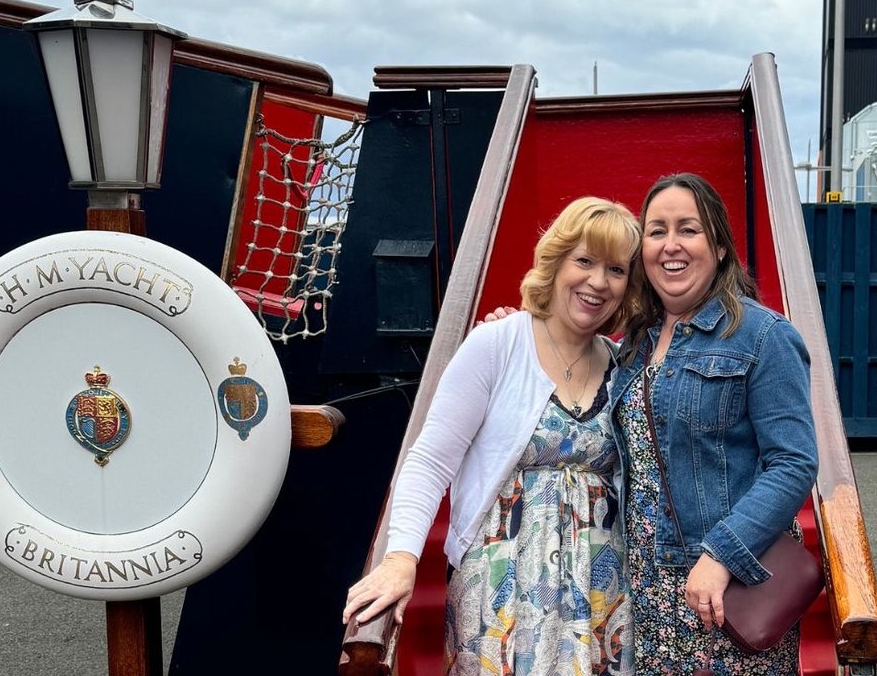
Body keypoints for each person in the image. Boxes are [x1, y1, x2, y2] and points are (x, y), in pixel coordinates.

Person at [343, 196, 639, 676]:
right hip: (502, 591)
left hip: (602, 592)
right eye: (584, 261)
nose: (598, 281)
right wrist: (400, 558)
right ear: (556, 262)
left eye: (616, 269)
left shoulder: (623, 364)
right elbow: (430, 462)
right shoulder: (497, 344)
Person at [609, 172, 817, 675]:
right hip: (647, 587)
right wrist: (514, 327)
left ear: (720, 247)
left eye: (689, 229)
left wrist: (722, 555)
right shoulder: (634, 343)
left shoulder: (763, 336)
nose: (671, 245)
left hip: (726, 584)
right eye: (657, 231)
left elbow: (793, 463)